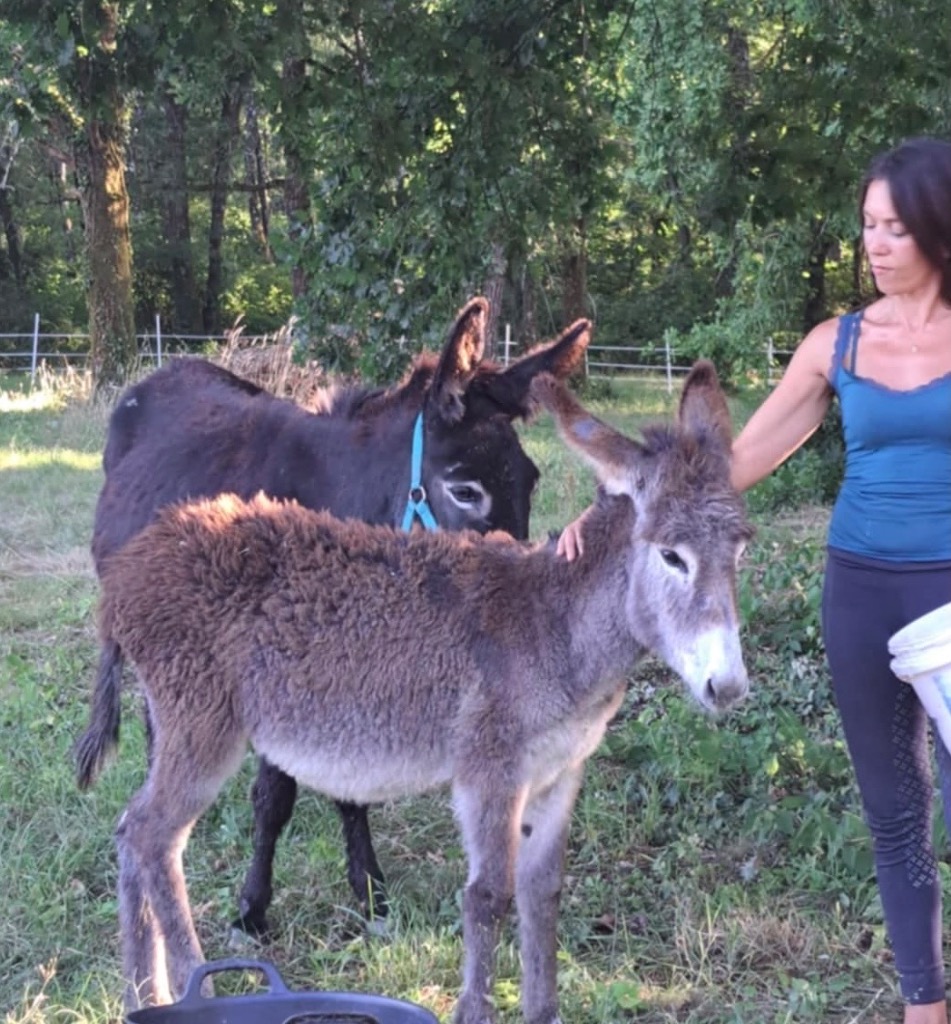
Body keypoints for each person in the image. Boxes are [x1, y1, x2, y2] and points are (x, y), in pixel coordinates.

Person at [558, 136, 951, 1023]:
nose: (875, 245)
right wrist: (594, 522)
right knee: (895, 812)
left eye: (894, 226)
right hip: (859, 592)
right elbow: (719, 471)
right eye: (865, 226)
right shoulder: (835, 345)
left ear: (936, 227)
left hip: (949, 597)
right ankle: (923, 1008)